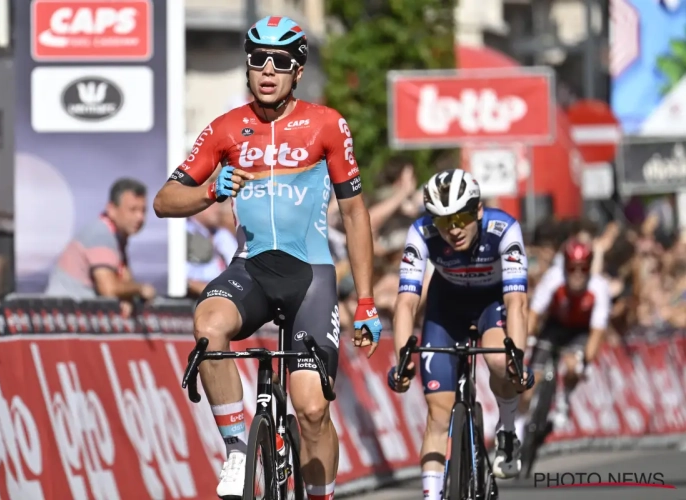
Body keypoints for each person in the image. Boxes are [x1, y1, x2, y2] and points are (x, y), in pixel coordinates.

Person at [153, 16, 382, 500]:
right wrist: (211, 191)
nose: (268, 70)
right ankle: (237, 449)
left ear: (298, 70)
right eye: (258, 60)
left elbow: (356, 214)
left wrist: (365, 300)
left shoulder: (326, 124)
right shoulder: (226, 128)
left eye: (281, 62)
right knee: (208, 324)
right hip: (252, 268)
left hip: (310, 276)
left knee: (312, 410)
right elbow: (165, 199)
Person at [387, 168, 534, 500]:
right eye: (443, 220)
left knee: (500, 362)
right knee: (438, 413)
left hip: (491, 302)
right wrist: (402, 360)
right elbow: (406, 303)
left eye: (462, 217)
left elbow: (517, 301)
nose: (453, 229)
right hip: (446, 306)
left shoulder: (504, 228)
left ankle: (507, 430)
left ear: (478, 210)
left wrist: (518, 358)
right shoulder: (421, 232)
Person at [518, 238, 610, 434]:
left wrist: (584, 361)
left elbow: (597, 333)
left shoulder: (599, 288)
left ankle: (564, 400)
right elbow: (534, 314)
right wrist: (525, 341)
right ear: (565, 266)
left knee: (572, 365)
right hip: (555, 326)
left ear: (590, 268)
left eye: (583, 269)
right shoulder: (553, 278)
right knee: (530, 380)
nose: (577, 275)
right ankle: (517, 427)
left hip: (580, 332)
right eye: (572, 268)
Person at [45, 178, 156, 305]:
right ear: (111, 209)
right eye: (133, 210)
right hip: (64, 313)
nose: (140, 217)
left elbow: (125, 281)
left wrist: (129, 296)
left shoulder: (117, 238)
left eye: (143, 211)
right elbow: (108, 289)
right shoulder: (101, 234)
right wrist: (141, 289)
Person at [186, 201, 238, 298]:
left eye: (218, 203)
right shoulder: (182, 233)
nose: (217, 209)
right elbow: (179, 277)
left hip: (226, 295)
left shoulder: (222, 235)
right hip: (193, 299)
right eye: (212, 204)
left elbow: (239, 269)